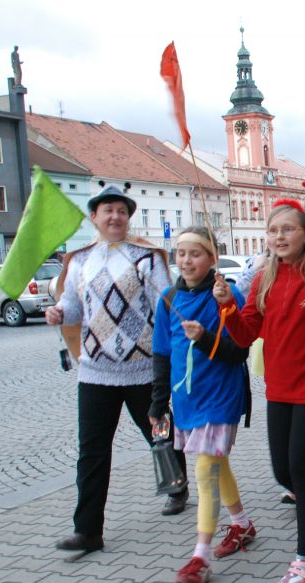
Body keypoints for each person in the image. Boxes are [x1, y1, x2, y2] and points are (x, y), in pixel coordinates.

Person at [213, 198, 305, 583]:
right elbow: (245, 335)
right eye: (273, 230)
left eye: (288, 229)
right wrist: (227, 307)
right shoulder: (263, 279)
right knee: (282, 473)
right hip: (278, 389)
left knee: (300, 468)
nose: (279, 236)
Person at [47, 184, 184, 553]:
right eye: (108, 210)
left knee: (159, 433)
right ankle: (88, 530)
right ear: (94, 217)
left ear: (128, 218)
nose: (115, 217)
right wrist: (58, 312)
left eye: (121, 211)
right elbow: (73, 307)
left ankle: (177, 486)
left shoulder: (146, 257)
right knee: (92, 451)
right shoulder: (79, 261)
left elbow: (164, 306)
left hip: (142, 368)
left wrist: (170, 357)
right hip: (95, 371)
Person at [151, 227, 254, 583]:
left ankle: (200, 557)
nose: (186, 260)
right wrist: (158, 402)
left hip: (221, 396)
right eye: (180, 253)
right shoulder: (168, 298)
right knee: (217, 463)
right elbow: (162, 354)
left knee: (204, 471)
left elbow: (239, 351)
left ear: (212, 258)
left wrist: (205, 337)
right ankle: (242, 524)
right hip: (187, 400)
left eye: (195, 253)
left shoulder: (227, 294)